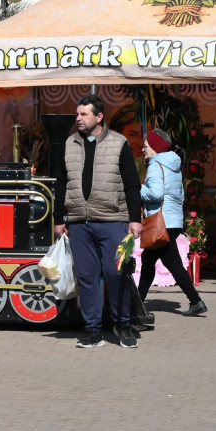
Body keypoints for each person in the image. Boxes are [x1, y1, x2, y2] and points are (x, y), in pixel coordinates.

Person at [54, 94, 143, 349]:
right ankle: (92, 330)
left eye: (84, 114)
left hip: (113, 220)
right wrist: (58, 218)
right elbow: (62, 182)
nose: (78, 119)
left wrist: (134, 220)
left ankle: (123, 325)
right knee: (86, 277)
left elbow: (132, 184)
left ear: (99, 117)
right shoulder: (70, 143)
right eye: (77, 114)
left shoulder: (119, 143)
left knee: (117, 274)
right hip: (80, 222)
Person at [138, 128, 207, 317]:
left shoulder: (155, 165)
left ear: (155, 147)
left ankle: (195, 300)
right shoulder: (174, 166)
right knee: (154, 260)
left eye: (146, 146)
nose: (144, 150)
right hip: (173, 220)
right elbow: (180, 195)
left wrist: (139, 190)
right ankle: (195, 301)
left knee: (169, 263)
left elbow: (155, 193)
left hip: (160, 222)